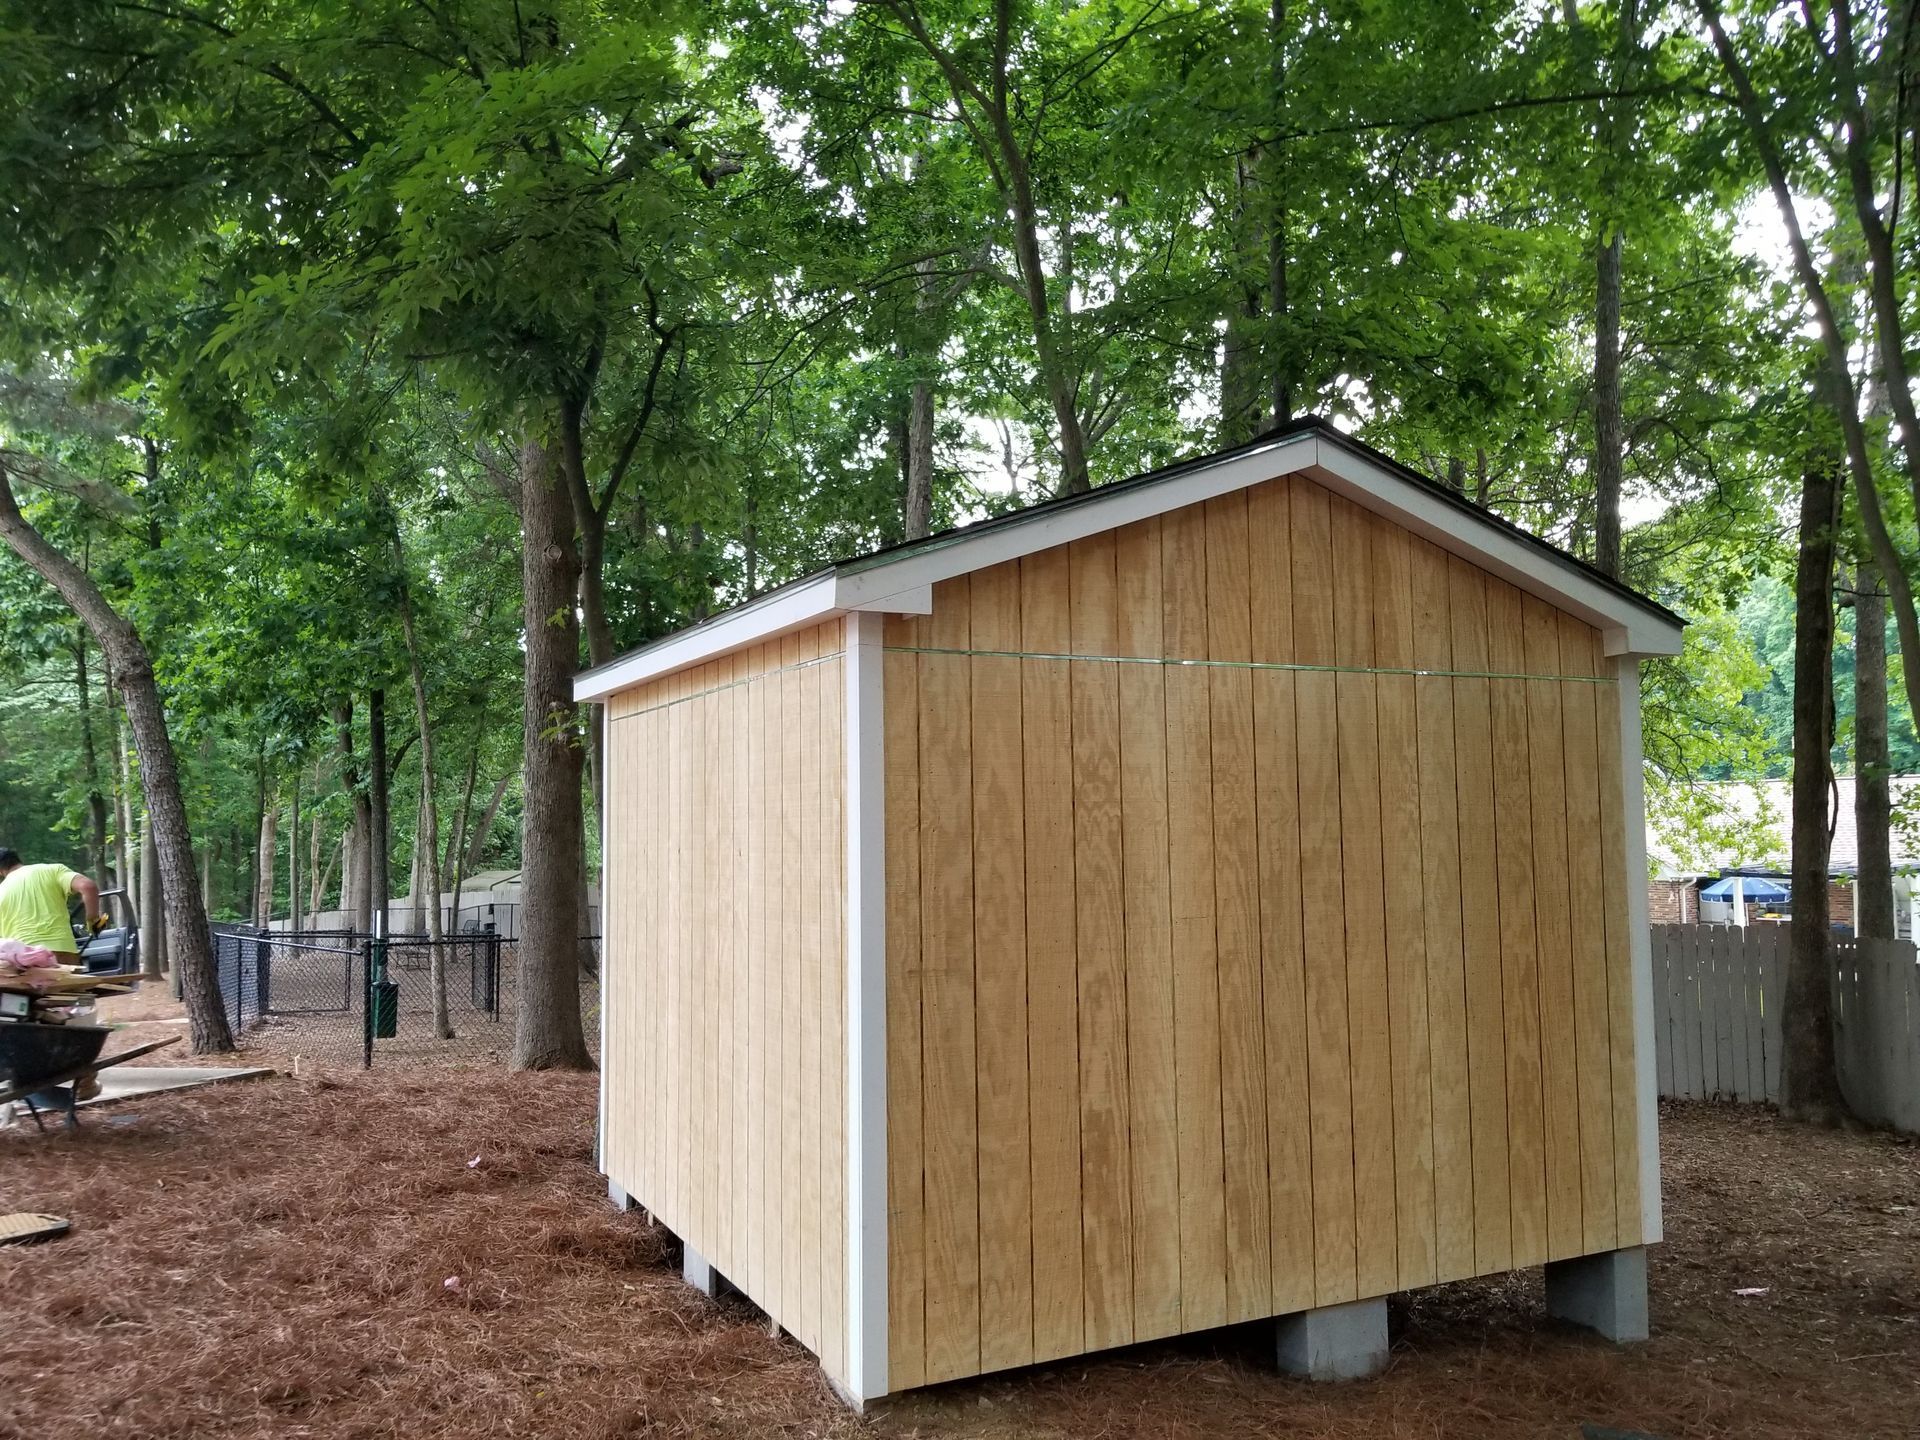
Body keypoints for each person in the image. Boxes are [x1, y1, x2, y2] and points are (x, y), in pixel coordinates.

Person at [0, 848, 103, 957]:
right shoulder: (52, 870)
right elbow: (88, 887)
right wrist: (93, 924)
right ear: (18, 860)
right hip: (61, 952)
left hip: (21, 959)